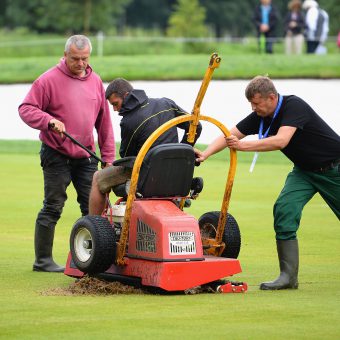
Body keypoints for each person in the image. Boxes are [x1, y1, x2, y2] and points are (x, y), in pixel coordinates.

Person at [195, 76, 340, 290]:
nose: (253, 108)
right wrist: (205, 154)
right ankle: (288, 277)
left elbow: (281, 141)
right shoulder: (261, 115)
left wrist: (243, 147)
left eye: (256, 103)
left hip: (334, 168)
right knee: (283, 210)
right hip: (304, 172)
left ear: (271, 97)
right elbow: (229, 135)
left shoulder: (294, 106)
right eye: (251, 104)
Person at [18, 35, 115, 272]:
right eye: (75, 59)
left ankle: (96, 259)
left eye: (84, 59)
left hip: (86, 157)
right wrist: (48, 120)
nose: (81, 64)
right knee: (53, 205)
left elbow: (104, 125)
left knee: (95, 208)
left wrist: (109, 159)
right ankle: (43, 261)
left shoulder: (95, 81)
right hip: (56, 154)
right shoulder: (47, 80)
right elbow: (26, 109)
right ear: (65, 56)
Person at [89, 78, 202, 215]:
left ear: (126, 96)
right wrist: (184, 152)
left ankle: (94, 223)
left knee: (97, 178)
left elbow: (127, 157)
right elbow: (195, 126)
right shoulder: (166, 103)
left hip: (147, 174)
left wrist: (111, 164)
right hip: (175, 172)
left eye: (115, 104)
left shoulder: (128, 122)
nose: (114, 109)